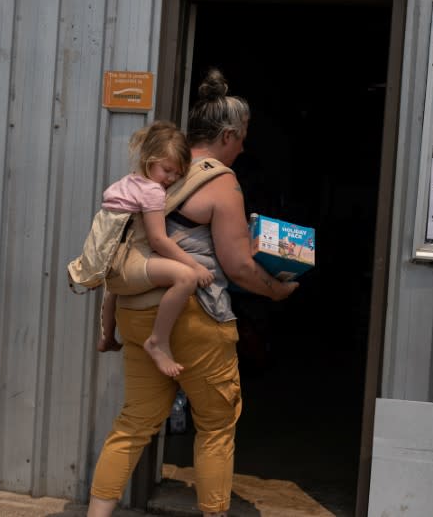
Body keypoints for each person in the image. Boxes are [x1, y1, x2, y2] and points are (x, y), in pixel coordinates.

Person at [87, 68, 299, 517]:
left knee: (133, 424)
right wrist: (276, 292)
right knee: (217, 427)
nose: (243, 147)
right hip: (195, 315)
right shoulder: (221, 181)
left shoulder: (161, 170)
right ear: (227, 135)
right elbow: (240, 266)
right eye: (242, 138)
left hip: (138, 307)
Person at [97, 121, 215, 377]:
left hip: (111, 266)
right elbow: (158, 240)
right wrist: (195, 265)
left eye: (178, 174)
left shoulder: (125, 184)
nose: (171, 179)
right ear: (149, 160)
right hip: (130, 262)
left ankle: (106, 336)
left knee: (112, 289)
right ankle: (158, 341)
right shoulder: (152, 192)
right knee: (186, 278)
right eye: (167, 170)